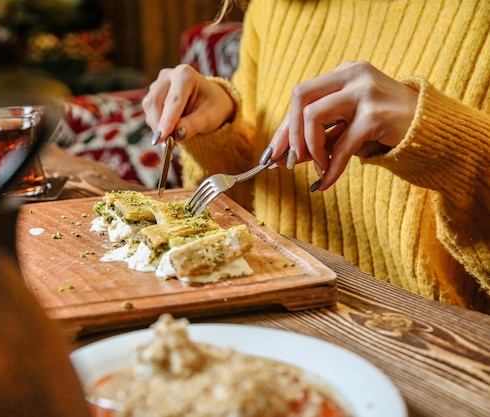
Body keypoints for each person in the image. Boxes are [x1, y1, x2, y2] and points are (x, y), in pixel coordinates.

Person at [142, 0, 490, 313]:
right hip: (272, 314)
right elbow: (245, 206)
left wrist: (441, 138)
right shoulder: (273, 6)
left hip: (432, 355)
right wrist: (219, 127)